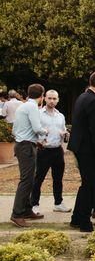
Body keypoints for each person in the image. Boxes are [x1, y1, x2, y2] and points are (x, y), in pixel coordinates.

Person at [68, 72, 95, 232]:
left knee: (86, 184)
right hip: (87, 149)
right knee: (90, 185)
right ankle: (85, 222)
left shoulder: (83, 96)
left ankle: (77, 218)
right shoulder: (92, 100)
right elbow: (94, 131)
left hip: (80, 147)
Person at [9, 84, 47, 227]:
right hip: (26, 147)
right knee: (26, 181)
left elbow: (14, 130)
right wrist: (46, 131)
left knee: (29, 180)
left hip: (23, 145)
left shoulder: (23, 106)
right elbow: (37, 128)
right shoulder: (32, 107)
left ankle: (26, 209)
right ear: (41, 95)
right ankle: (17, 214)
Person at [31, 90, 70, 214]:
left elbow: (64, 132)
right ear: (45, 98)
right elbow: (34, 131)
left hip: (58, 150)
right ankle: (34, 204)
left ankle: (58, 203)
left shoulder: (60, 116)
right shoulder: (38, 114)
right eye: (49, 98)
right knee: (39, 179)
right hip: (44, 150)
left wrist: (66, 134)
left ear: (58, 100)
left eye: (54, 98)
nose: (52, 101)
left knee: (58, 179)